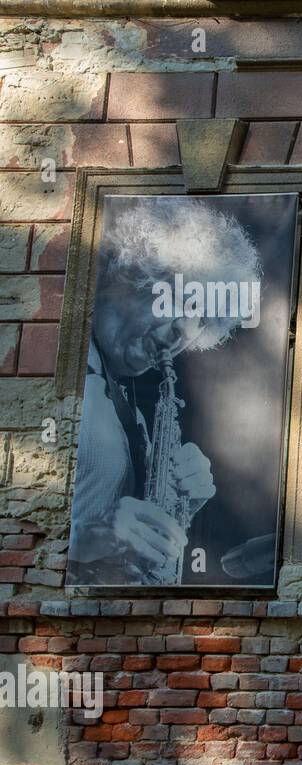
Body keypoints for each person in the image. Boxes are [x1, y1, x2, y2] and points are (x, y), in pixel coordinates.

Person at [67, 197, 262, 585]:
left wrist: (176, 504)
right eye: (182, 302)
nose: (184, 335)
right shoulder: (54, 365)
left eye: (201, 320)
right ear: (133, 273)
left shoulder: (130, 414)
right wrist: (80, 539)